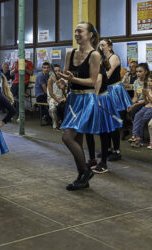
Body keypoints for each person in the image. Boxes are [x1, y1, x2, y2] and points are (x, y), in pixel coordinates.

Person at [58, 21, 101, 191]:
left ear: (90, 35)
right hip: (73, 99)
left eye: (80, 31)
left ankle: (85, 172)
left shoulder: (95, 55)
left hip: (86, 100)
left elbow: (92, 81)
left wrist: (72, 80)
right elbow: (65, 76)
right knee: (76, 139)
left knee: (67, 137)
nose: (77, 34)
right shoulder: (70, 53)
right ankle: (82, 177)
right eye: (75, 31)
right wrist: (62, 82)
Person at [99, 39, 133, 161]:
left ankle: (117, 150)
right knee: (106, 120)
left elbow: (107, 75)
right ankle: (107, 148)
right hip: (106, 90)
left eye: (103, 45)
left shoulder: (114, 57)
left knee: (114, 121)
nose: (101, 47)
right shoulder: (102, 58)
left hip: (114, 91)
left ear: (110, 46)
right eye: (100, 45)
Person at [92, 52, 122, 174]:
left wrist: (95, 97)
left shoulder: (99, 69)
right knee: (103, 132)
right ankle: (100, 160)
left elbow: (98, 82)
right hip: (102, 99)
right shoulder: (97, 67)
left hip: (102, 100)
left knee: (104, 132)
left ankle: (103, 163)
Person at [130, 75, 152, 147]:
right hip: (146, 107)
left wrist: (147, 95)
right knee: (137, 116)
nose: (149, 83)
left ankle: (139, 141)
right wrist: (144, 96)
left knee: (142, 120)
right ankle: (134, 136)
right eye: (149, 81)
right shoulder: (148, 91)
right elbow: (146, 102)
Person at [47, 64, 67, 129]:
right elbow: (51, 93)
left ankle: (63, 122)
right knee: (52, 109)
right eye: (55, 71)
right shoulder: (50, 79)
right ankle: (55, 121)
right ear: (53, 72)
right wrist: (57, 100)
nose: (57, 72)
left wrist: (64, 98)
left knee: (63, 106)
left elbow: (65, 92)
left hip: (61, 98)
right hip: (52, 98)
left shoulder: (63, 79)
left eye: (59, 70)